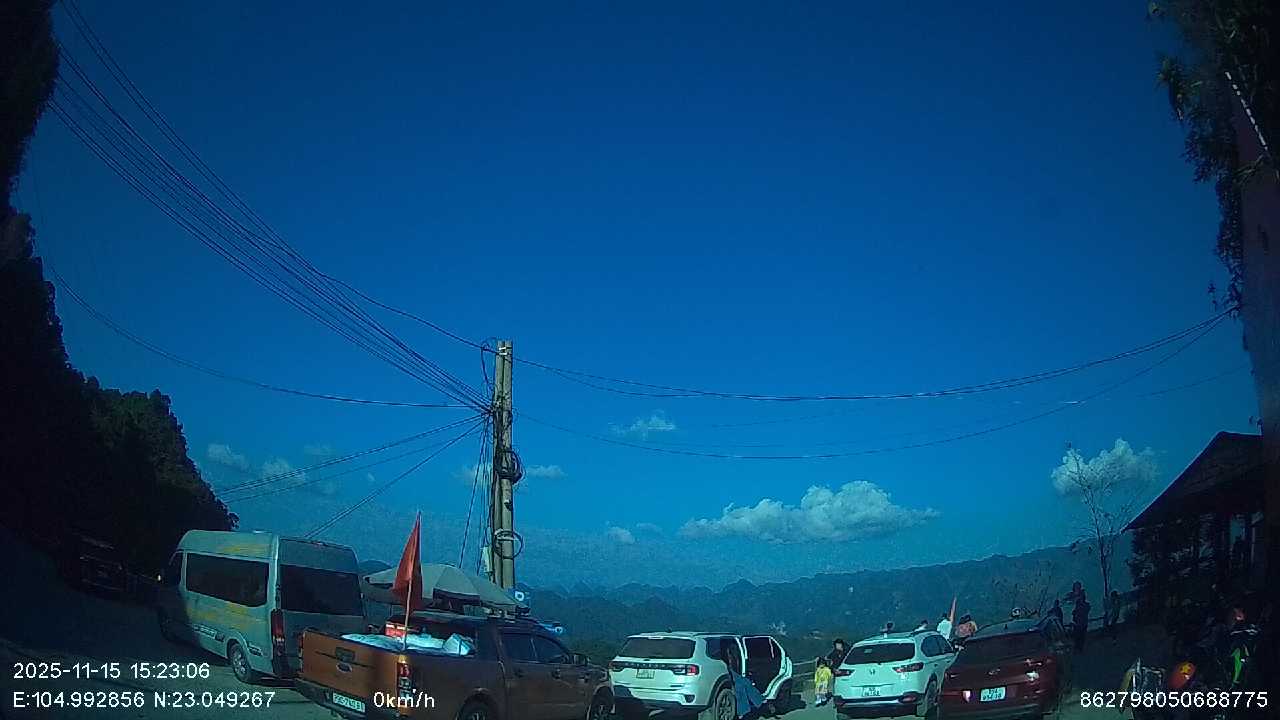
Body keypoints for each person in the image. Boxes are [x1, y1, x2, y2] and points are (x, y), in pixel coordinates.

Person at [721, 639, 768, 719]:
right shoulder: (729, 650)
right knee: (741, 684)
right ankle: (757, 703)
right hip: (725, 671)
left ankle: (749, 708)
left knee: (742, 683)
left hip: (725, 671)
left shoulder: (724, 650)